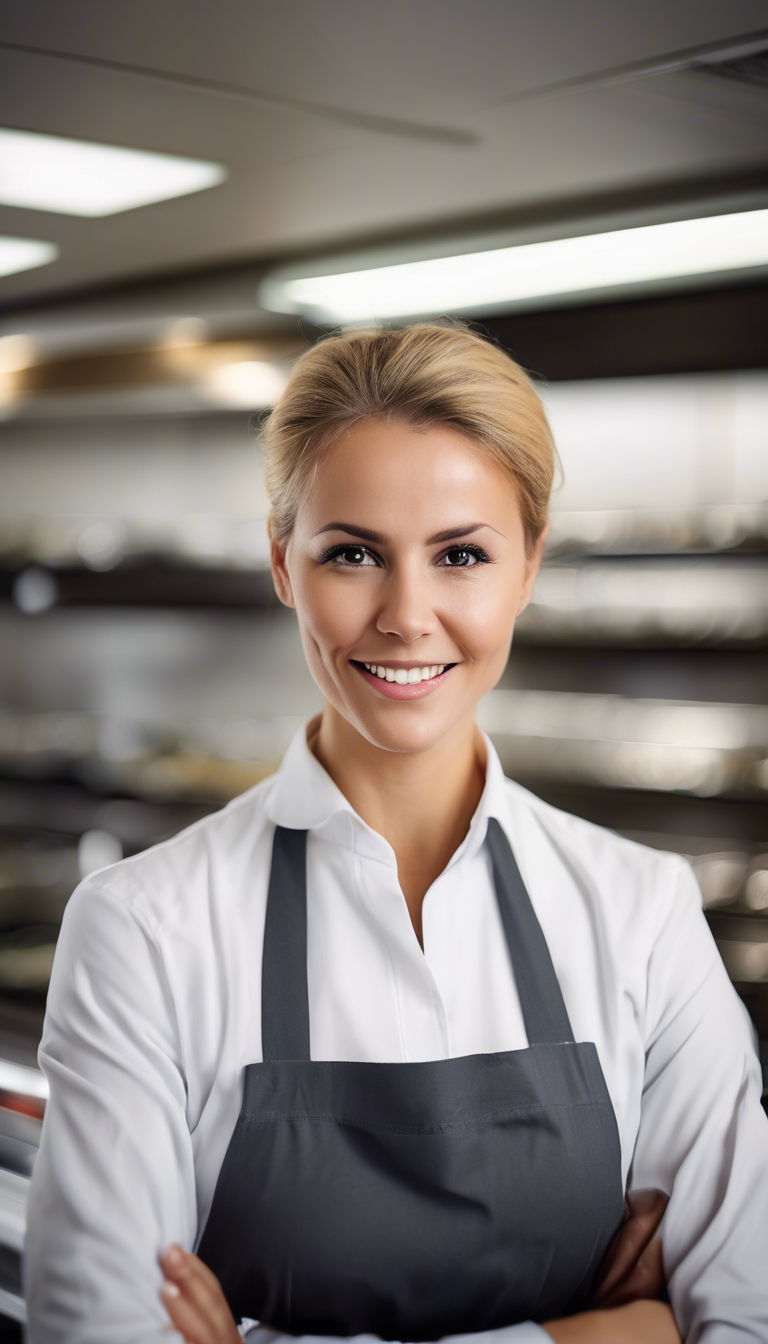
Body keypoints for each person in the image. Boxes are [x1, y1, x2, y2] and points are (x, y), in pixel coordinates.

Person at [23, 322, 768, 1344]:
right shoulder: (142, 929)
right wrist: (593, 1335)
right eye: (353, 554)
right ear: (283, 564)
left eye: (461, 554)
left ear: (530, 566)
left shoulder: (641, 912)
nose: (408, 615)